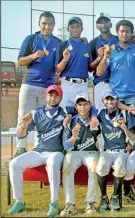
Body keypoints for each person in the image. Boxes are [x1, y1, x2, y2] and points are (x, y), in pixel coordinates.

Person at [8, 85, 65, 216]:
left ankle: (54, 203)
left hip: (56, 152)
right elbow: (21, 135)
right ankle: (19, 201)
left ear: (61, 98)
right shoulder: (36, 113)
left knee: (53, 163)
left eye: (56, 95)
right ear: (46, 96)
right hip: (39, 152)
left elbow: (87, 109)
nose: (52, 98)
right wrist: (23, 125)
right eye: (50, 95)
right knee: (14, 164)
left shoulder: (66, 112)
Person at [15, 11, 62, 157]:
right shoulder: (30, 39)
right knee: (23, 116)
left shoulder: (58, 43)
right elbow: (20, 62)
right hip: (29, 83)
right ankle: (20, 148)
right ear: (39, 24)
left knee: (43, 119)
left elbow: (58, 67)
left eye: (50, 24)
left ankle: (38, 148)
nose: (47, 27)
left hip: (47, 87)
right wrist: (33, 55)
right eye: (44, 23)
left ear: (54, 25)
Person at [96, 89, 135, 212]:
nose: (110, 101)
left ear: (117, 101)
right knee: (101, 167)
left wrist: (125, 128)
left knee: (119, 167)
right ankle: (104, 197)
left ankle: (115, 197)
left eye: (112, 99)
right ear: (103, 101)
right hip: (107, 150)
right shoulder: (100, 113)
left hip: (121, 150)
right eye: (107, 99)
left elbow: (134, 137)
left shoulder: (125, 114)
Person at [60, 93, 100, 216]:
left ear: (90, 105)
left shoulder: (97, 118)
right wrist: (73, 137)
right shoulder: (70, 120)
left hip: (92, 151)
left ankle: (90, 202)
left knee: (94, 168)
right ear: (76, 106)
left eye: (85, 104)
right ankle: (70, 204)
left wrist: (95, 119)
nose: (82, 107)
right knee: (67, 168)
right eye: (80, 104)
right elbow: (66, 146)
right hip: (75, 152)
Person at [97, 20, 135, 107]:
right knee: (115, 121)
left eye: (127, 31)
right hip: (115, 96)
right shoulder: (111, 50)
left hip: (133, 95)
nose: (124, 34)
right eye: (122, 31)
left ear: (131, 33)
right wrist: (104, 57)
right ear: (117, 33)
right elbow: (99, 73)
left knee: (133, 120)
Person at [55, 17, 96, 107]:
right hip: (67, 85)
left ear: (82, 29)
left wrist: (100, 58)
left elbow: (90, 68)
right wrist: (65, 60)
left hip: (83, 86)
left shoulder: (86, 45)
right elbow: (57, 69)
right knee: (66, 115)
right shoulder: (63, 45)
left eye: (77, 27)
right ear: (68, 29)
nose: (75, 29)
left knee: (83, 116)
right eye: (72, 27)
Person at [89, 12, 119, 110]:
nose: (103, 24)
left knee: (119, 114)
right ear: (97, 26)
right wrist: (99, 57)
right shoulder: (93, 43)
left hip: (118, 83)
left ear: (110, 24)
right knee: (101, 113)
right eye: (100, 22)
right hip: (101, 83)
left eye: (106, 21)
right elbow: (90, 68)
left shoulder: (119, 40)